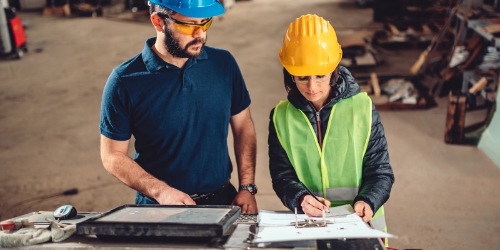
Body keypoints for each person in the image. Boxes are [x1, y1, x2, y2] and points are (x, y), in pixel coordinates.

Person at [99, 0, 258, 214]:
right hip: (159, 206)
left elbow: (243, 127)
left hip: (224, 200)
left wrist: (247, 186)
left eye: (205, 23)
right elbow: (112, 155)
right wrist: (160, 191)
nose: (200, 34)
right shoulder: (125, 80)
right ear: (158, 21)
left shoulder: (223, 64)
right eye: (188, 25)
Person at [268, 14, 395, 237]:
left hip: (361, 228)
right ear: (289, 74)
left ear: (334, 69)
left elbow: (380, 172)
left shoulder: (362, 108)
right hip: (311, 228)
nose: (312, 86)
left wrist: (369, 200)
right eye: (302, 77)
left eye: (320, 76)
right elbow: (282, 176)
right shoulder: (281, 117)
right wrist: (301, 198)